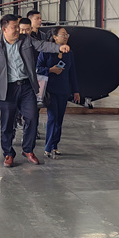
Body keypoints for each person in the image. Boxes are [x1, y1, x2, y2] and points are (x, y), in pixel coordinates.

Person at [0, 14, 70, 167]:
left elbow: (42, 45)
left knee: (32, 117)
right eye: (14, 27)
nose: (18, 30)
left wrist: (58, 47)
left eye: (18, 27)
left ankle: (28, 150)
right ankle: (8, 153)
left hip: (26, 86)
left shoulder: (26, 40)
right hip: (7, 88)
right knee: (7, 123)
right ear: (4, 29)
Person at [36, 27, 80, 159]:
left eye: (67, 35)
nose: (65, 37)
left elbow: (72, 73)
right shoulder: (46, 52)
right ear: (55, 37)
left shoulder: (69, 53)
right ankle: (48, 147)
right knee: (53, 117)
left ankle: (55, 146)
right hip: (50, 90)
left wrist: (76, 91)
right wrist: (50, 70)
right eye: (62, 34)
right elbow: (37, 68)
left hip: (63, 90)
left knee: (59, 119)